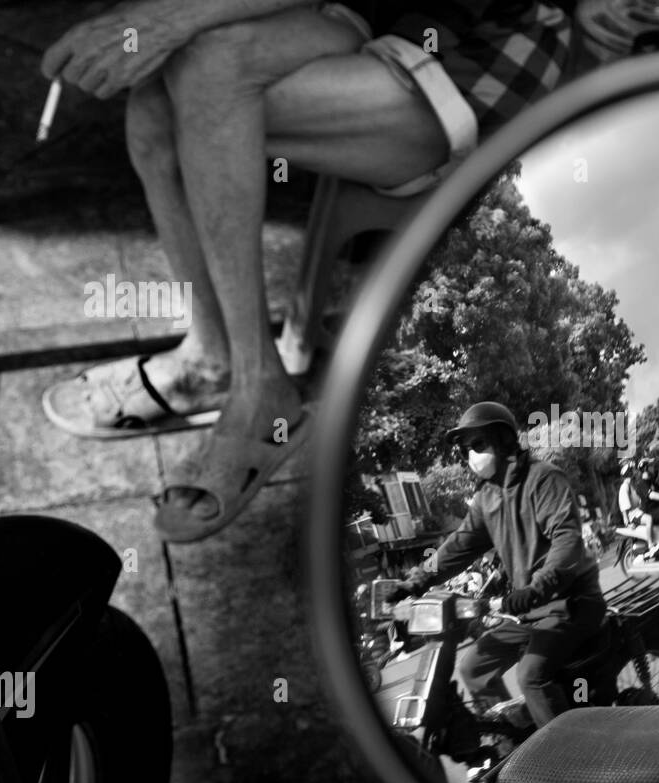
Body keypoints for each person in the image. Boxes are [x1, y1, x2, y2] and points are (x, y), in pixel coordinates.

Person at [37, 0, 577, 542]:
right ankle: (210, 357)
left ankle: (260, 390)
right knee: (158, 93)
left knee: (204, 78)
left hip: (476, 43)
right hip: (376, 11)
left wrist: (168, 18)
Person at [396, 401, 604, 729]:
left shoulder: (543, 479)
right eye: (466, 449)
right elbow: (458, 545)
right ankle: (517, 743)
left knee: (531, 677)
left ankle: (569, 762)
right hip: (527, 610)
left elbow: (567, 541)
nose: (471, 456)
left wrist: (537, 588)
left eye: (478, 445)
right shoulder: (486, 498)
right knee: (472, 670)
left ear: (504, 440)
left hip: (571, 602)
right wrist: (415, 581)